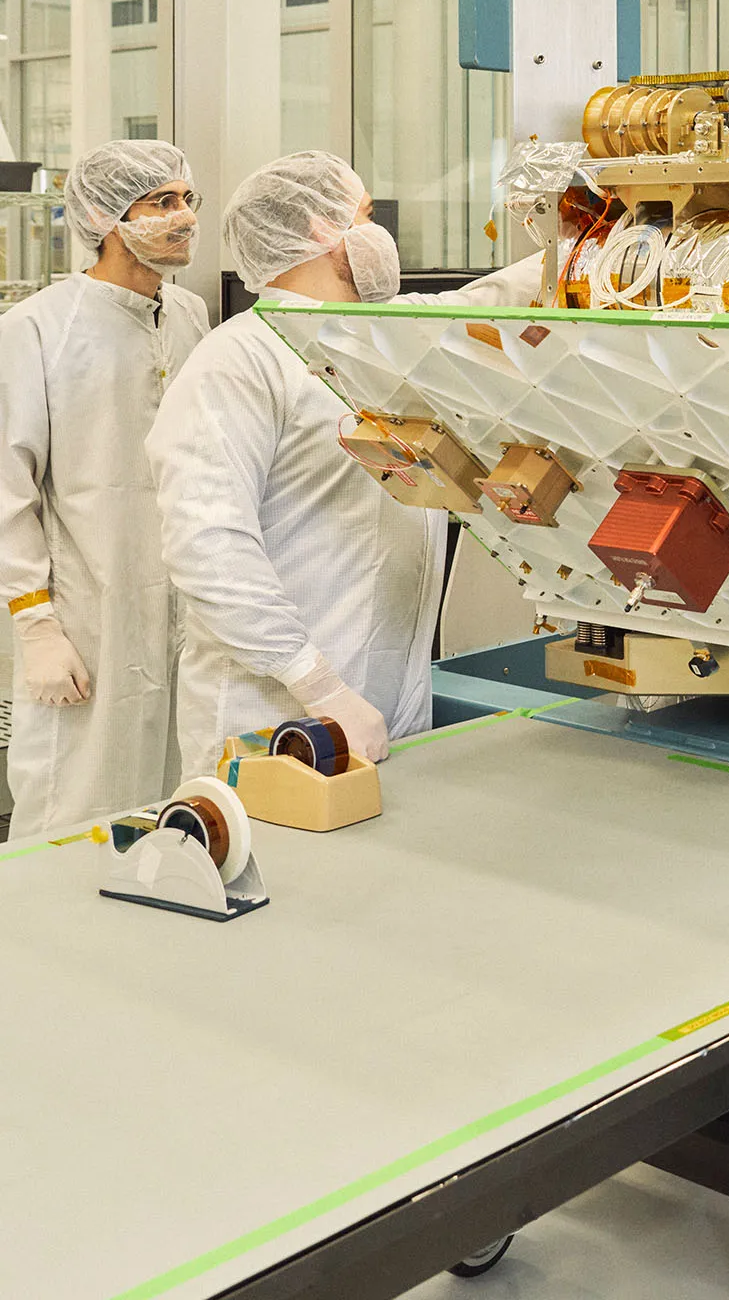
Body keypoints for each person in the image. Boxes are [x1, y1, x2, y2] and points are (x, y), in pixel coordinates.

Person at [146, 151, 546, 778]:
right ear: (315, 230)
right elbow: (209, 547)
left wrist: (603, 241)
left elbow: (487, 302)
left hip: (386, 704)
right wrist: (319, 686)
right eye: (363, 215)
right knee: (280, 871)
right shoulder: (239, 360)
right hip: (278, 714)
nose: (377, 231)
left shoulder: (377, 337)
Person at [0, 142, 208, 840]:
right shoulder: (38, 330)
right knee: (73, 805)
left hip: (180, 608)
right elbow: (7, 490)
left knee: (172, 807)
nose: (183, 218)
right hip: (85, 617)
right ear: (106, 216)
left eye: (187, 200)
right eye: (162, 203)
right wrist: (36, 626)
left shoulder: (189, 316)